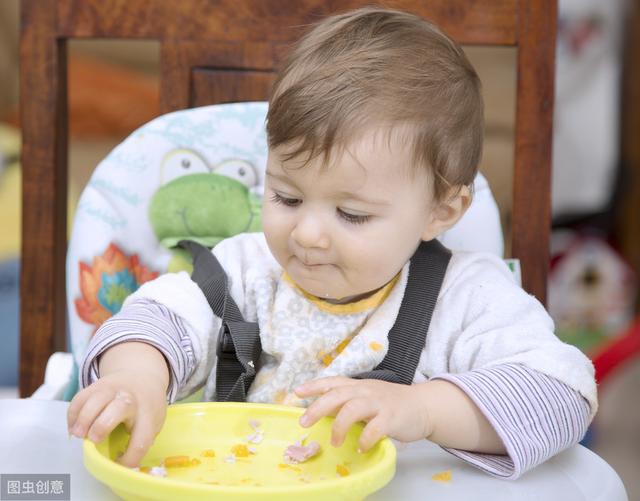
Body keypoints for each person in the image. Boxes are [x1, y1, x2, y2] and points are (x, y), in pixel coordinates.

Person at [67, 7, 596, 480]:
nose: (307, 234)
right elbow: (153, 321)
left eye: (352, 214)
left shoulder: (467, 299)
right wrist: (134, 377)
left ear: (442, 210)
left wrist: (426, 410)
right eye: (287, 197)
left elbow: (563, 395)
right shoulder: (244, 272)